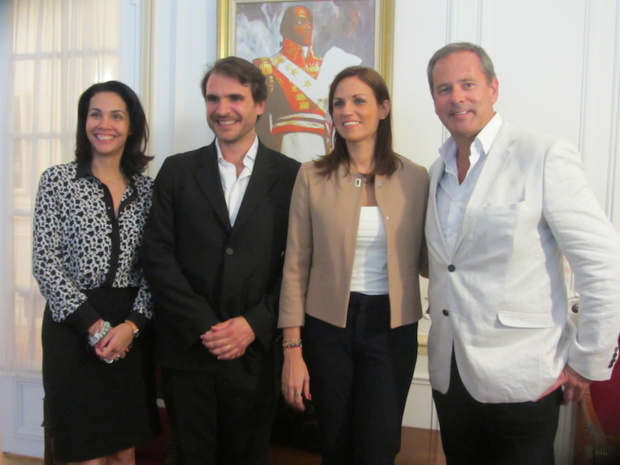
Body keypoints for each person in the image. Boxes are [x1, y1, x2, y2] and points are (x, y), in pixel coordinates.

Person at [424, 42, 620, 465]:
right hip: (450, 374)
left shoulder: (543, 155)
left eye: (468, 84)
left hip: (523, 376)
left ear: (493, 88)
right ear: (434, 101)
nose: (456, 97)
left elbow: (602, 264)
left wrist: (588, 362)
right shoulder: (435, 170)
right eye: (443, 89)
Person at [141, 56, 300, 465]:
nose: (222, 109)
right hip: (188, 352)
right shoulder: (176, 172)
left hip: (255, 356)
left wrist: (253, 324)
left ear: (260, 104)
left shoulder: (293, 177)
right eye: (213, 98)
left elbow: (298, 265)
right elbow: (157, 257)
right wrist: (204, 325)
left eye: (235, 97)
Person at [278, 66, 429, 464]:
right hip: (327, 327)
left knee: (378, 445)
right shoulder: (311, 176)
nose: (347, 110)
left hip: (391, 327)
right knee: (334, 442)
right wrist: (292, 349)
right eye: (339, 102)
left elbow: (437, 258)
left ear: (383, 108)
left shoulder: (416, 177)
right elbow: (295, 266)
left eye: (359, 100)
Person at [33, 81, 160, 464]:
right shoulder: (57, 181)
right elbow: (45, 263)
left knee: (124, 450)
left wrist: (131, 327)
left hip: (130, 331)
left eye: (116, 115)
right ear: (83, 122)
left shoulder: (149, 191)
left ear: (131, 126)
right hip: (72, 329)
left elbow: (156, 268)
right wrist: (96, 327)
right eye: (95, 113)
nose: (104, 124)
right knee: (84, 452)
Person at [253, 5, 361, 162]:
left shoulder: (327, 66)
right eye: (300, 22)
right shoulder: (266, 66)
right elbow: (260, 122)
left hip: (322, 148)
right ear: (285, 28)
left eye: (310, 22)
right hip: (284, 146)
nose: (308, 27)